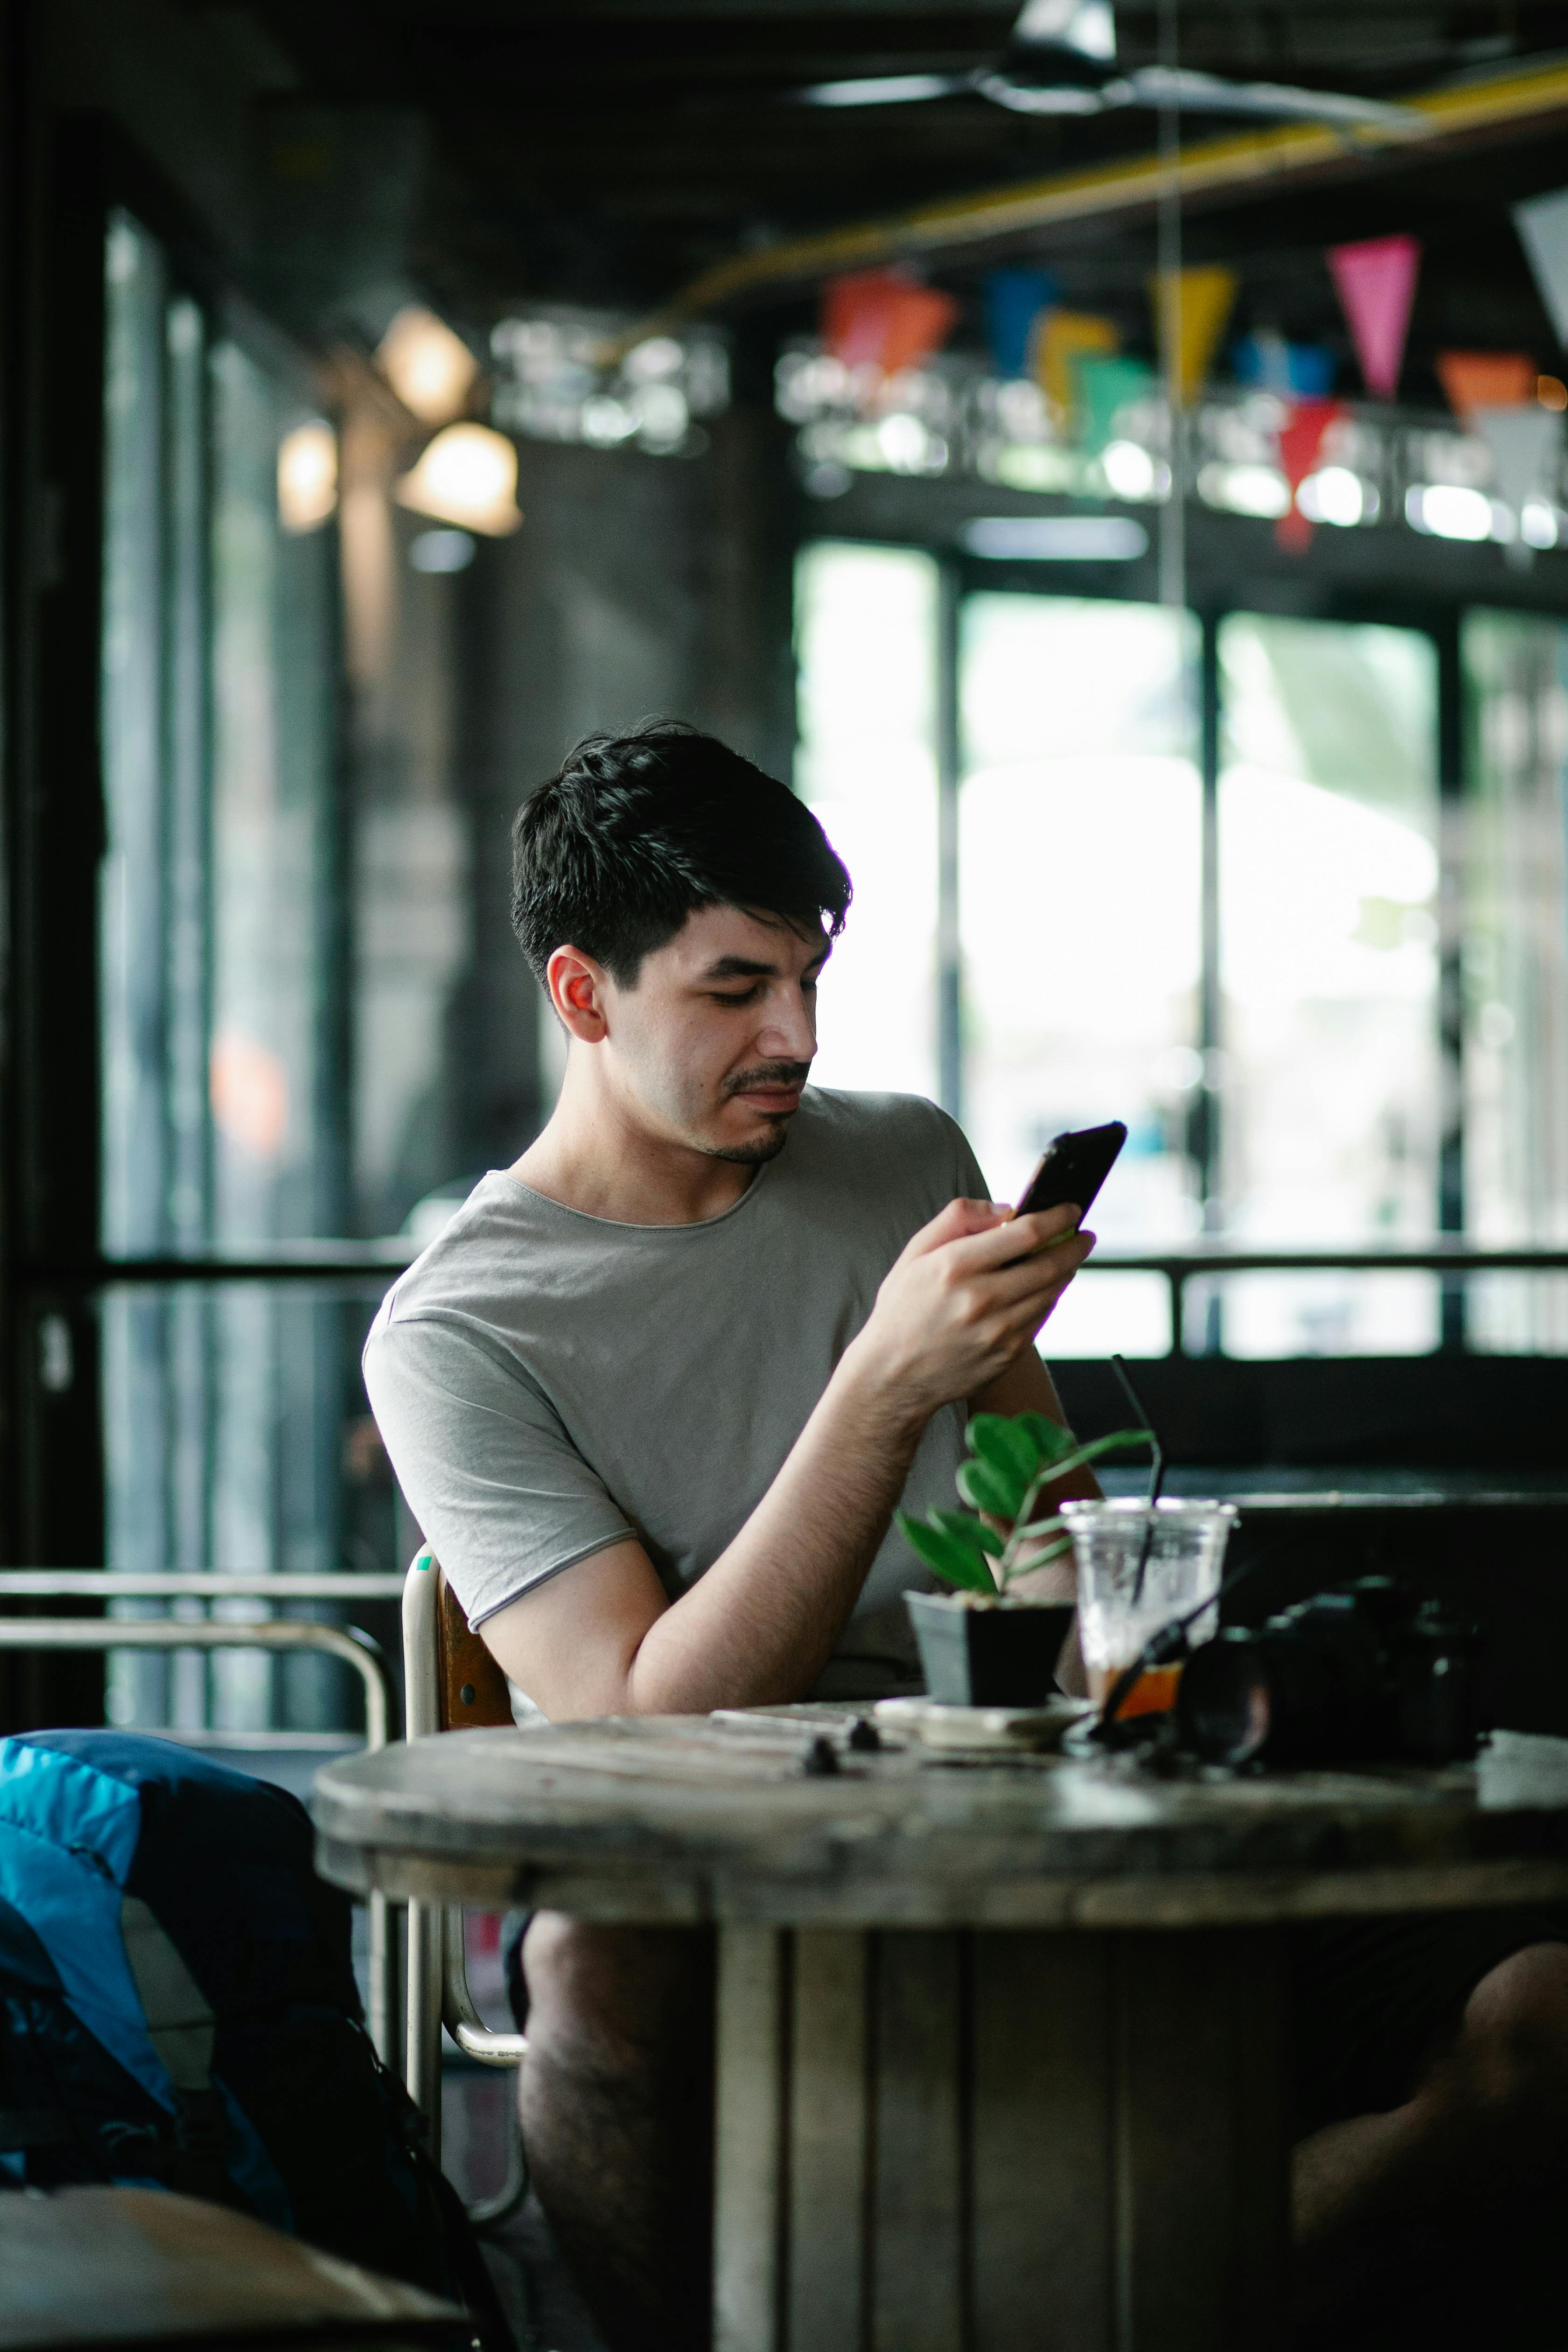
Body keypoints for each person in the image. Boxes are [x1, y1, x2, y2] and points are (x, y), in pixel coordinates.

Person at [366, 721, 1568, 2352]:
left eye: (810, 977)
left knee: (1541, 2017)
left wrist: (1107, 1618)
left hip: (1038, 1792)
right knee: (592, 1960)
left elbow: (1039, 1525)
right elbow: (636, 1721)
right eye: (736, 989)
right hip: (750, 1870)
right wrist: (875, 1391)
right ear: (585, 995)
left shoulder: (901, 1157)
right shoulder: (460, 1331)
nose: (793, 1033)